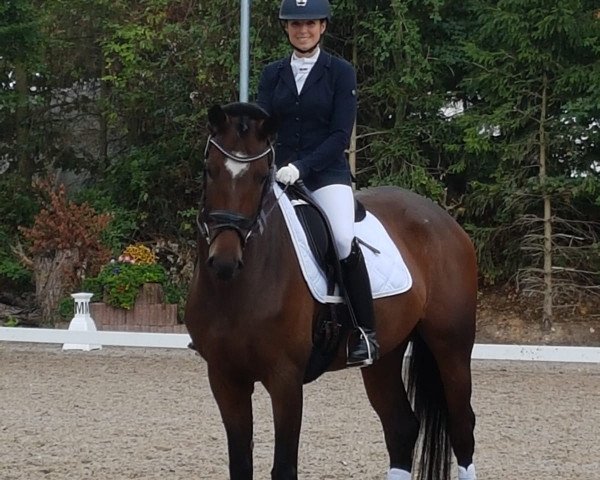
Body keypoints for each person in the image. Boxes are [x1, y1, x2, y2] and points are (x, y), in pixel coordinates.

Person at [257, 0, 379, 367]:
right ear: (286, 29)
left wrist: (302, 167)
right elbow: (263, 127)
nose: (303, 30)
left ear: (322, 27)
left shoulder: (340, 72)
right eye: (295, 25)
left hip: (326, 175)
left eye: (309, 23)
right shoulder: (272, 73)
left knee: (341, 237)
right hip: (277, 174)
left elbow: (340, 135)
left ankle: (364, 332)